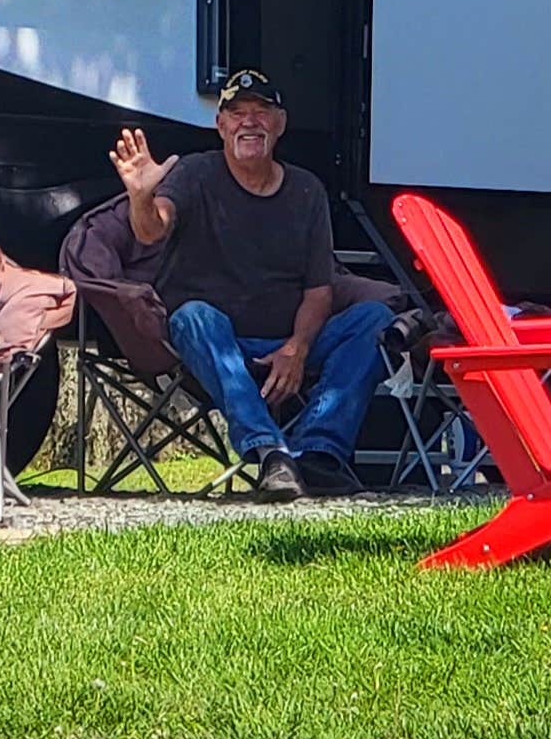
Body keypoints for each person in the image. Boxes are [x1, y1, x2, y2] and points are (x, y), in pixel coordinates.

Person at [111, 71, 393, 498]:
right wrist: (140, 197)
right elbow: (152, 230)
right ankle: (270, 453)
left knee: (374, 318)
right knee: (193, 317)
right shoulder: (193, 174)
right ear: (220, 126)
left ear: (279, 125)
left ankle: (318, 454)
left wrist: (296, 348)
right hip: (219, 347)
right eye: (238, 113)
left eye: (261, 113)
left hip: (288, 343)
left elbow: (320, 292)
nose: (250, 122)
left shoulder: (306, 190)